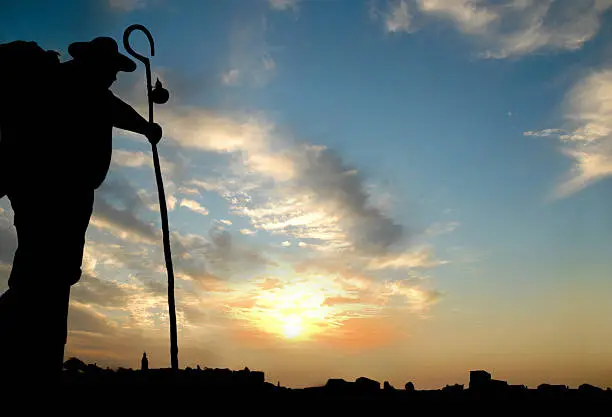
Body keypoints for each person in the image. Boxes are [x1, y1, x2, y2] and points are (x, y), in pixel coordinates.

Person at [0, 36, 163, 384]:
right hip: (56, 191)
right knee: (47, 273)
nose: (115, 77)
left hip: (57, 192)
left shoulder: (75, 83)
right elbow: (116, 109)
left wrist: (146, 127)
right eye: (112, 70)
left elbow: (115, 108)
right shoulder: (78, 85)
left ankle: (29, 350)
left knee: (46, 271)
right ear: (95, 63)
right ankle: (26, 355)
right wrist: (147, 128)